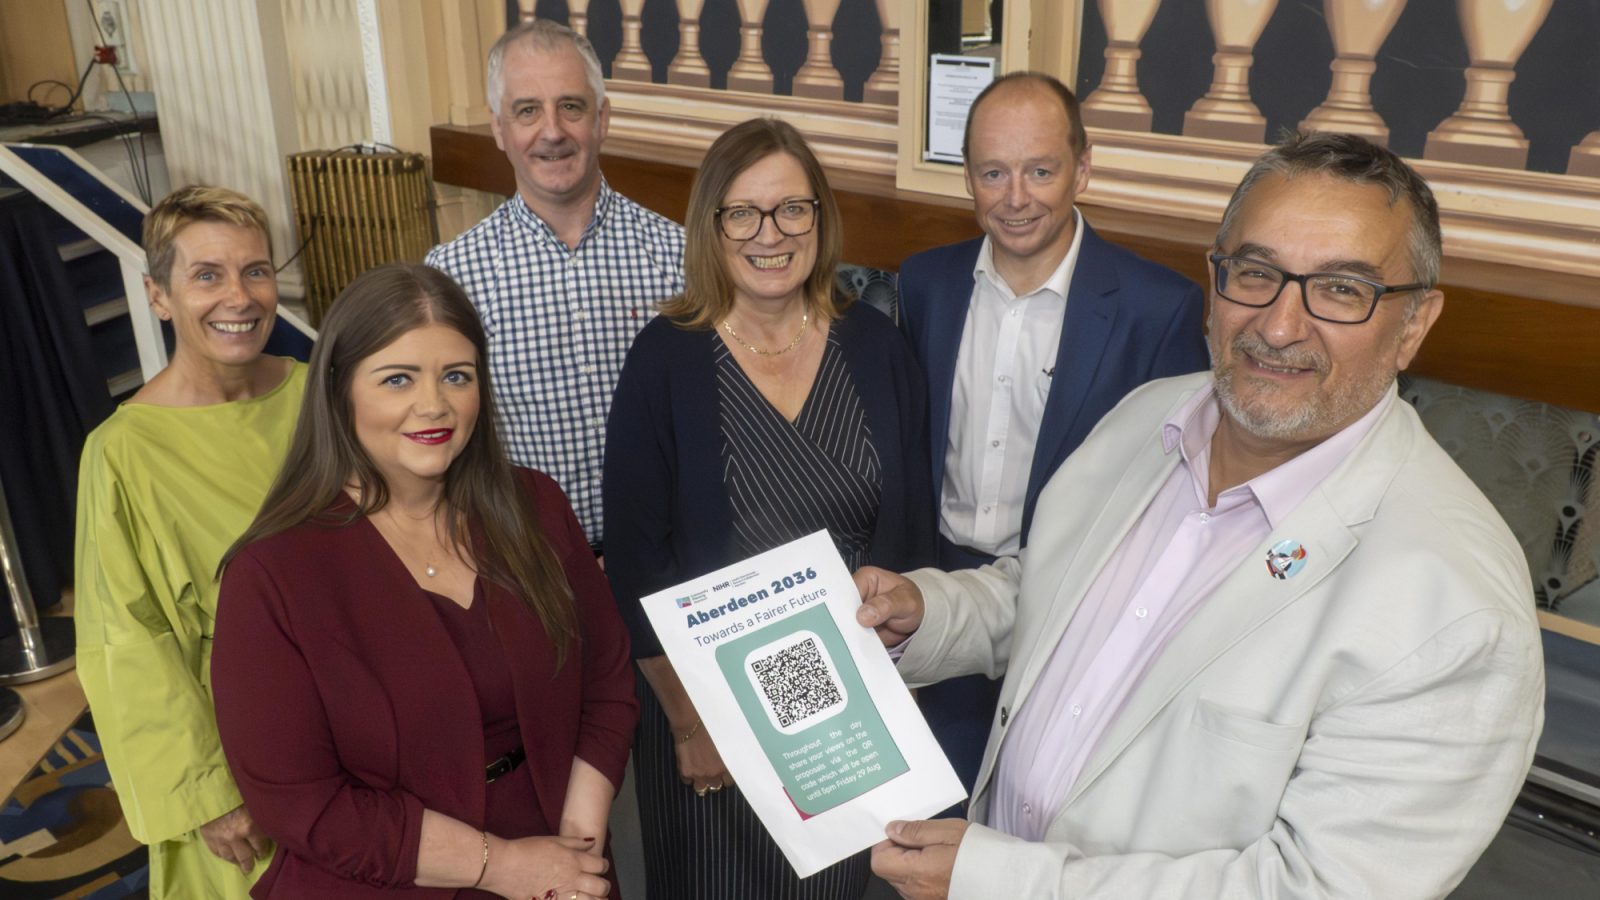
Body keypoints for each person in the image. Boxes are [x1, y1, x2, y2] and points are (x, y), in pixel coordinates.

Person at [855, 132, 1545, 899]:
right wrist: (930, 614)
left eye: (1341, 290)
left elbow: (1316, 888)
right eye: (1255, 273)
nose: (1279, 326)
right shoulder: (1146, 418)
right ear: (1215, 283)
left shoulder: (1458, 611)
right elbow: (1052, 593)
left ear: (1413, 324)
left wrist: (1004, 881)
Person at [209, 264, 637, 899]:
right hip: (381, 879)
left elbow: (606, 681)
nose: (434, 404)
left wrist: (575, 855)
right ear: (339, 390)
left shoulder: (536, 505)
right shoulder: (271, 574)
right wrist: (506, 867)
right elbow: (300, 801)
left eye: (456, 376)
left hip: (563, 857)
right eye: (398, 379)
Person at [604, 117, 935, 899]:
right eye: (743, 213)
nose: (770, 233)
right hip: (713, 716)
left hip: (844, 714)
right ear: (711, 226)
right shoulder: (665, 358)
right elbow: (637, 564)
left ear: (820, 216)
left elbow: (913, 534)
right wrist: (689, 723)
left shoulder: (878, 347)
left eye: (791, 208)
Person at [897, 71, 1209, 793]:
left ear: (1082, 168)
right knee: (927, 811)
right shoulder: (924, 283)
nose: (1016, 198)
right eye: (993, 173)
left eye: (1040, 171)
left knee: (1032, 812)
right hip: (936, 589)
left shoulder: (1157, 308)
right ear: (967, 176)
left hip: (1071, 607)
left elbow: (1176, 489)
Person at [73, 185, 301, 898]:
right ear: (159, 296)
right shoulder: (121, 454)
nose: (240, 297)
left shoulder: (319, 395)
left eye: (255, 271)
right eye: (207, 275)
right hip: (236, 740)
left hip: (364, 717)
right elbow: (125, 643)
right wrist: (206, 792)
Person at [425, 17, 684, 550]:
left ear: (602, 118)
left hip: (667, 557)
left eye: (571, 106)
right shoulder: (452, 275)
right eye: (527, 110)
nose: (552, 131)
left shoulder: (681, 256)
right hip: (528, 562)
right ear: (499, 129)